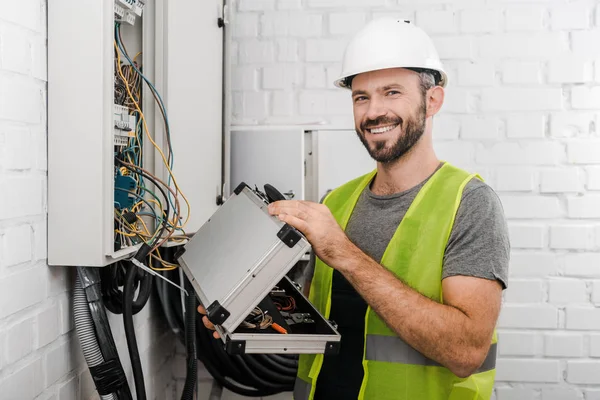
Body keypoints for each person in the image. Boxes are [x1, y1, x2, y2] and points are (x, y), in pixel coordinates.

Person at [200, 17, 510, 400]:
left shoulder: (470, 203)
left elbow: (465, 352)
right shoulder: (337, 201)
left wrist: (343, 253)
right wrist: (248, 315)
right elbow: (322, 324)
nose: (373, 111)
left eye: (392, 92)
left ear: (433, 101)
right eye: (361, 97)